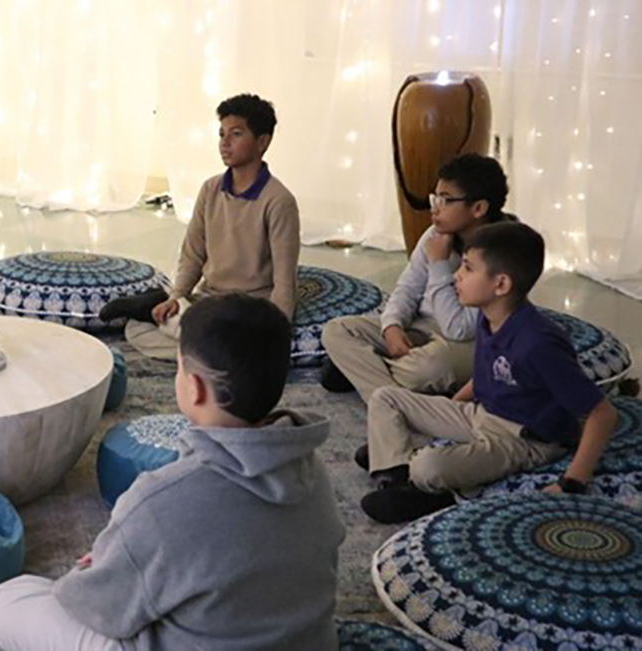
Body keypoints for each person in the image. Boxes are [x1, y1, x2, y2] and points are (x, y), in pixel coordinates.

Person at [0, 293, 344, 651]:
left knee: (4, 602)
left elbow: (98, 608)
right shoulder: (312, 470)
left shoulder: (163, 497)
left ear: (195, 388)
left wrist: (100, 565)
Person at [358, 222, 616, 524]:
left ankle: (422, 487)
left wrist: (572, 482)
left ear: (501, 284)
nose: (456, 275)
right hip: (482, 414)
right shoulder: (488, 317)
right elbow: (484, 378)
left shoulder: (539, 343)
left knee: (428, 466)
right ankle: (395, 471)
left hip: (524, 439)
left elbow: (602, 414)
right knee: (385, 399)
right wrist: (444, 413)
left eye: (467, 268)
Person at [99, 93, 300, 361]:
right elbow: (193, 254)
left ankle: (200, 344)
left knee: (230, 341)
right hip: (207, 301)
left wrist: (276, 335)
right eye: (221, 134)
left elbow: (285, 281)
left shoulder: (279, 201)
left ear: (263, 141)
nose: (224, 143)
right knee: (137, 330)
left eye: (236, 134)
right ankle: (201, 343)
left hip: (247, 308)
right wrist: (176, 296)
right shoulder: (210, 189)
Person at [321, 154, 513, 404]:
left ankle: (369, 378)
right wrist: (392, 326)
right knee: (337, 330)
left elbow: (458, 328)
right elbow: (407, 289)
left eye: (445, 199)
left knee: (430, 368)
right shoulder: (436, 234)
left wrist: (439, 264)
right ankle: (396, 395)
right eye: (436, 197)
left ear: (478, 208)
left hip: (466, 341)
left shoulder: (502, 252)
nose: (435, 207)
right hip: (421, 328)